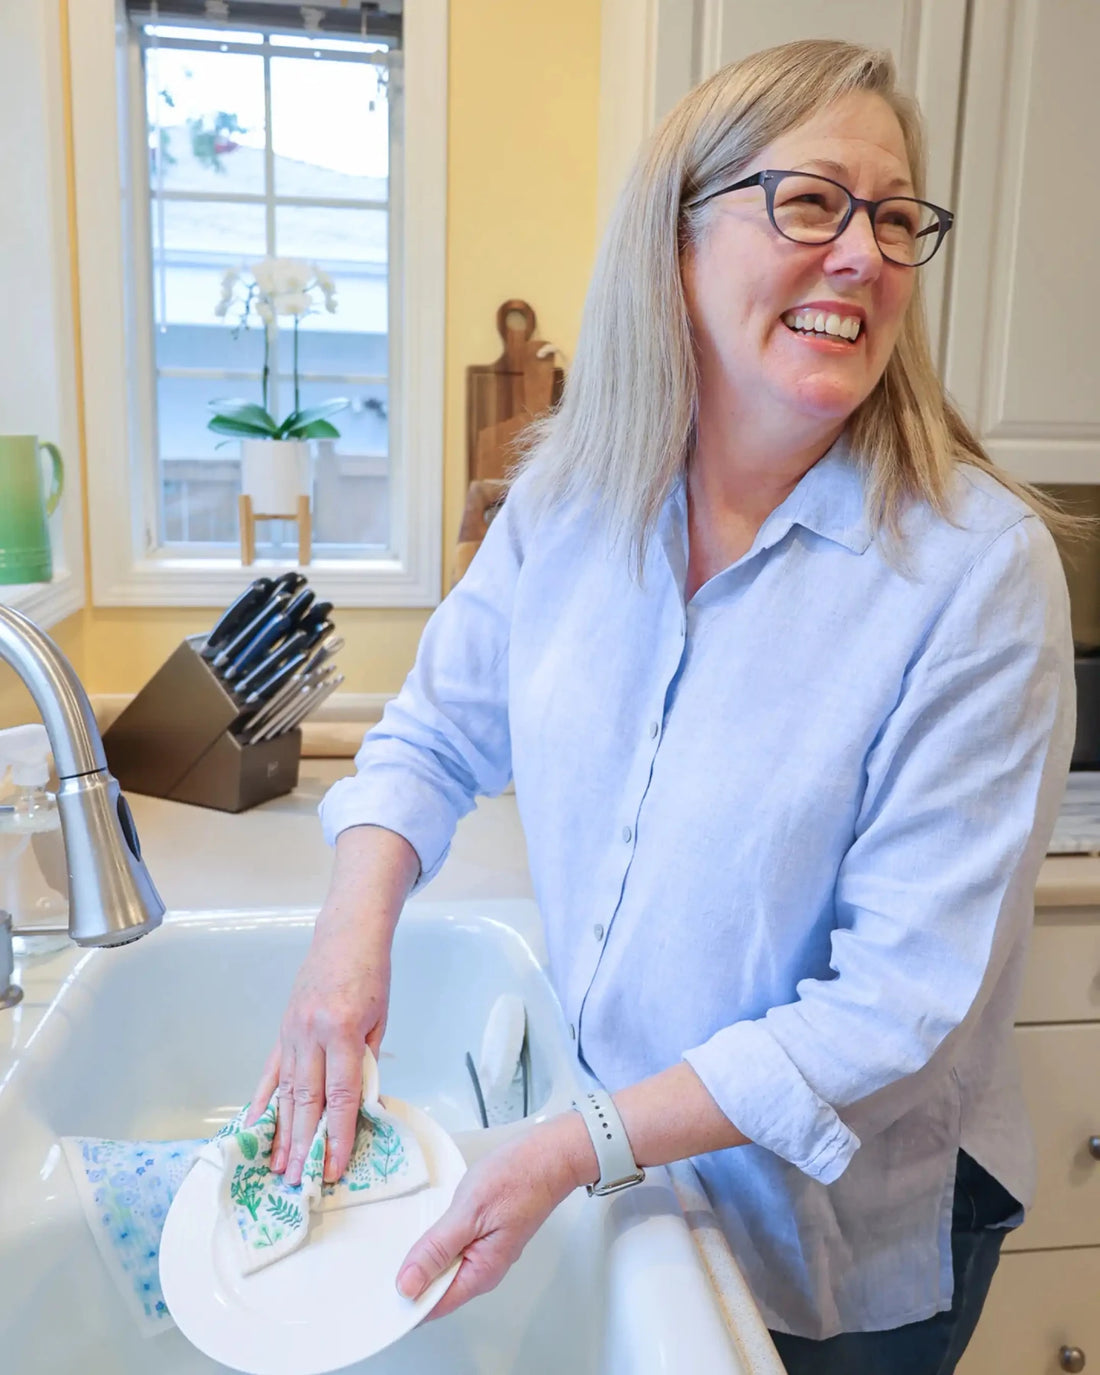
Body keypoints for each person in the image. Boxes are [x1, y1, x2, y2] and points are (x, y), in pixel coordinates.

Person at [247, 38, 1077, 1373]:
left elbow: (889, 1005)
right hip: (641, 1169)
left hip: (847, 1235)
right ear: (673, 239)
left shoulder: (973, 573)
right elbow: (436, 732)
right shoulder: (572, 496)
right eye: (811, 202)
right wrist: (345, 959)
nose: (863, 255)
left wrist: (580, 1145)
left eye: (895, 216)